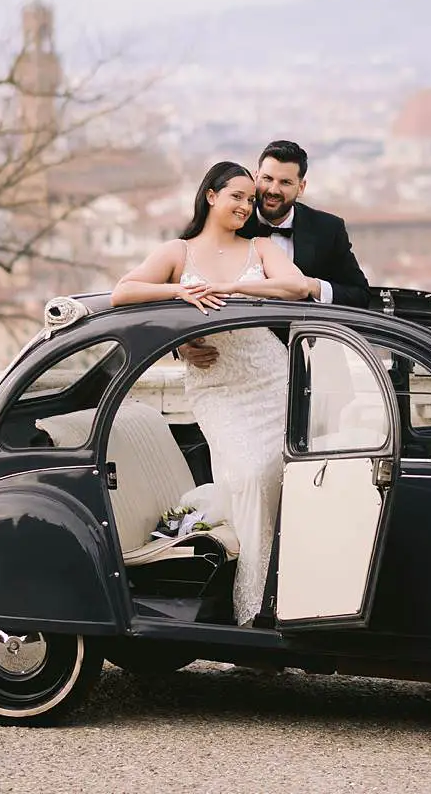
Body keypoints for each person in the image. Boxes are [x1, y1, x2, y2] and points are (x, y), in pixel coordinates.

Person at [110, 161, 311, 626]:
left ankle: (290, 595)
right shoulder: (177, 252)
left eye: (250, 199)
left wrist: (233, 286)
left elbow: (298, 286)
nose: (245, 205)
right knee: (250, 474)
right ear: (211, 196)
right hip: (216, 386)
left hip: (271, 378)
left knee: (290, 476)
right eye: (236, 196)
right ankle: (253, 607)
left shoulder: (260, 247)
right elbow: (124, 292)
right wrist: (178, 294)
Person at [182, 139, 370, 371]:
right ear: (256, 177)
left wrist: (313, 286)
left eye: (285, 182)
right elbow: (184, 280)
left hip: (313, 362)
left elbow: (359, 295)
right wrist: (182, 346)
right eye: (267, 179)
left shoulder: (327, 229)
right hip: (236, 363)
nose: (273, 190)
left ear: (301, 187)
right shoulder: (230, 220)